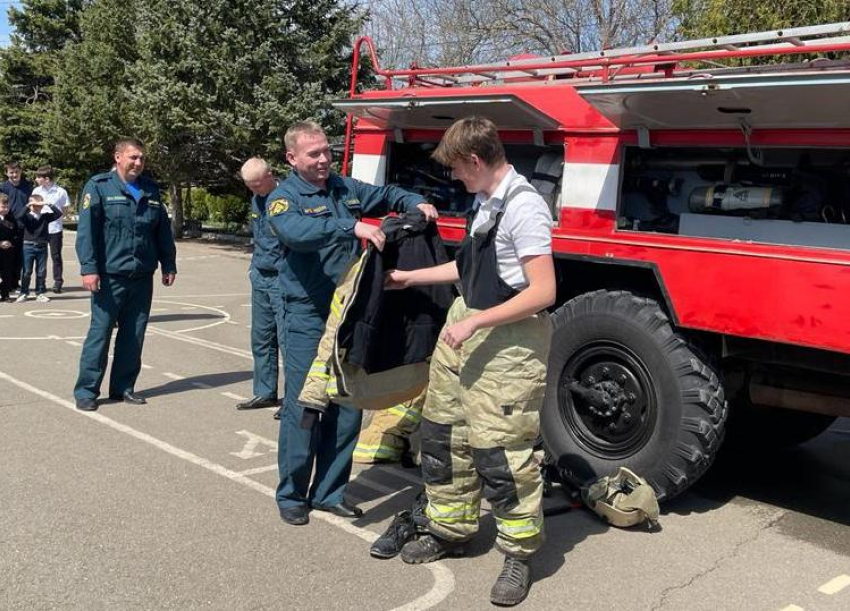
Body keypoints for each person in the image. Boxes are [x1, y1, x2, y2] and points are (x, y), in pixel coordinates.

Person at [385, 117, 556, 606]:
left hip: (507, 341)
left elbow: (543, 291)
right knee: (444, 434)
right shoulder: (485, 203)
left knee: (502, 455)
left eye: (458, 169)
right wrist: (408, 277)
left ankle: (518, 555)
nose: (455, 178)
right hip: (469, 325)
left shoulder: (525, 209)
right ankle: (451, 529)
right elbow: (467, 269)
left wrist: (476, 324)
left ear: (476, 161)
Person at [267, 120, 438, 526]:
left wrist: (417, 201)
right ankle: (292, 494)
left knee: (348, 402)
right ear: (292, 158)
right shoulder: (282, 198)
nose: (325, 159)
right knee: (306, 405)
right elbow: (295, 232)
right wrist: (350, 225)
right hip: (308, 316)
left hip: (350, 314)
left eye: (327, 151)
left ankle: (329, 492)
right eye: (314, 154)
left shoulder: (346, 188)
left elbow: (388, 194)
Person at [73, 137, 177, 412]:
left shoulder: (151, 190)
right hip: (109, 276)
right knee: (100, 333)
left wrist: (169, 264)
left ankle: (123, 387)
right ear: (118, 157)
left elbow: (162, 232)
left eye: (142, 158)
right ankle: (86, 390)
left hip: (142, 276)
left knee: (134, 334)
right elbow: (87, 233)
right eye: (133, 157)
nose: (138, 163)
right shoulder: (99, 187)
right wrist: (89, 268)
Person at [236, 157, 286, 413]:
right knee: (262, 338)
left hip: (284, 279)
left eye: (257, 185)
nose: (255, 191)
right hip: (261, 277)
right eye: (250, 186)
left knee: (288, 342)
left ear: (270, 175)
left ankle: (294, 400)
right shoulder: (257, 199)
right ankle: (264, 392)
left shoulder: (288, 198)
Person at [15, 194, 62, 303]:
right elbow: (18, 216)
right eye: (34, 205)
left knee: (41, 272)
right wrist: (28, 205)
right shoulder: (26, 217)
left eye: (39, 205)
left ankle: (40, 293)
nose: (37, 207)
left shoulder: (45, 216)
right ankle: (24, 292)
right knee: (27, 272)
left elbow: (58, 214)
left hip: (42, 247)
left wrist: (47, 204)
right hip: (28, 246)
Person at [32, 165, 70, 293]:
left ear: (46, 179)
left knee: (56, 256)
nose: (36, 179)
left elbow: (65, 209)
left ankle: (58, 282)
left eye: (38, 177)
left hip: (55, 229)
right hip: (40, 228)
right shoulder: (36, 191)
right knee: (40, 257)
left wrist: (57, 219)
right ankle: (40, 283)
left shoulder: (61, 191)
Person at [0, 161, 33, 292]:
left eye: (16, 172)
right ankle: (5, 283)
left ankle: (15, 282)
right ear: (6, 173)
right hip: (6, 225)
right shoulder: (2, 187)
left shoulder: (27, 187)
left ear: (21, 172)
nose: (14, 175)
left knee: (20, 256)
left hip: (23, 226)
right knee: (6, 255)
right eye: (11, 172)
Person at [0, 194, 18, 301]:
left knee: (7, 274)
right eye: (3, 207)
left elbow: (16, 234)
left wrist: (10, 242)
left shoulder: (11, 219)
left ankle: (5, 295)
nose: (5, 209)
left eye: (7, 207)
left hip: (7, 252)